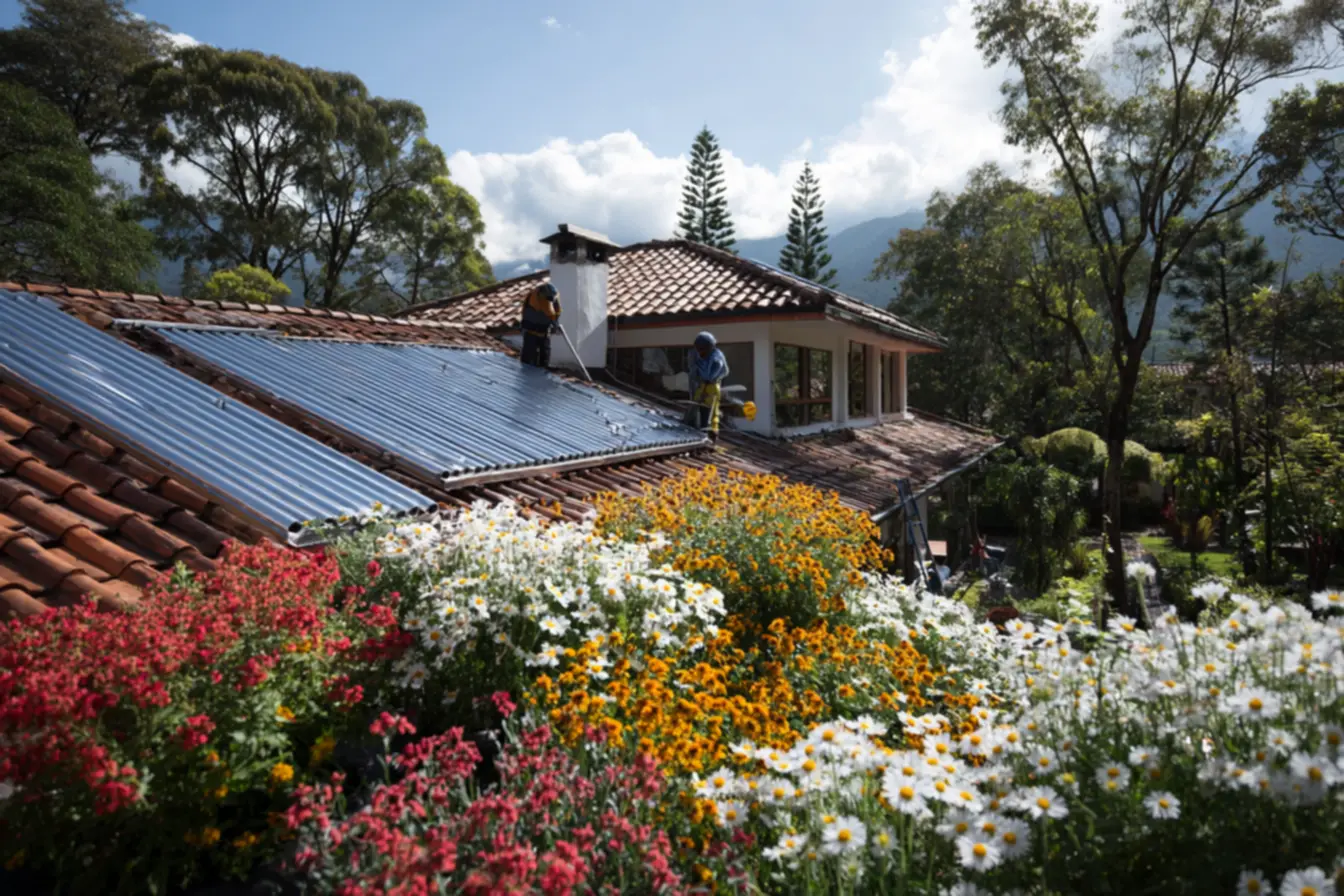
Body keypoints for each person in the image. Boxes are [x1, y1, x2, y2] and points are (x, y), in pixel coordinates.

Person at [687, 331, 729, 442]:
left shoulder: (717, 357)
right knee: (695, 404)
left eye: (702, 349)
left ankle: (708, 433)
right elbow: (693, 370)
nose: (700, 352)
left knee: (709, 410)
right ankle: (691, 424)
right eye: (698, 349)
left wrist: (711, 380)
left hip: (712, 386)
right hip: (700, 384)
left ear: (709, 347)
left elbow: (724, 371)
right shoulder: (696, 354)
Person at [520, 283, 561, 368]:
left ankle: (543, 370)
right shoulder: (533, 298)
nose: (549, 301)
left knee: (545, 356)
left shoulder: (554, 298)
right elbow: (542, 310)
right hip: (531, 332)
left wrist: (555, 323)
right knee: (528, 358)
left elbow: (556, 312)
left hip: (545, 332)